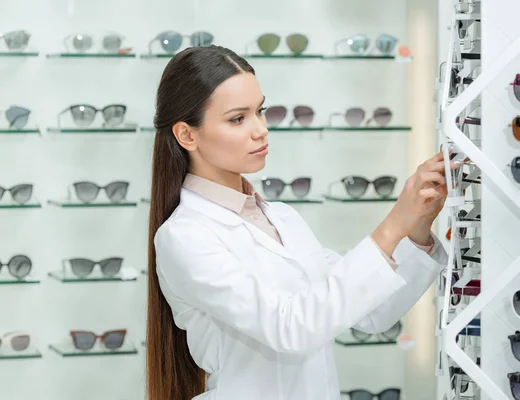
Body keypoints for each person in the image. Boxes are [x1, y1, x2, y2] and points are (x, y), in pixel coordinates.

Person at [145, 45, 458, 400]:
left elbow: (371, 313)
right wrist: (393, 224)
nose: (260, 129)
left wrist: (416, 226)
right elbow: (290, 327)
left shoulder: (282, 219)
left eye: (260, 111)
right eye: (238, 118)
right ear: (187, 135)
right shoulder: (185, 236)